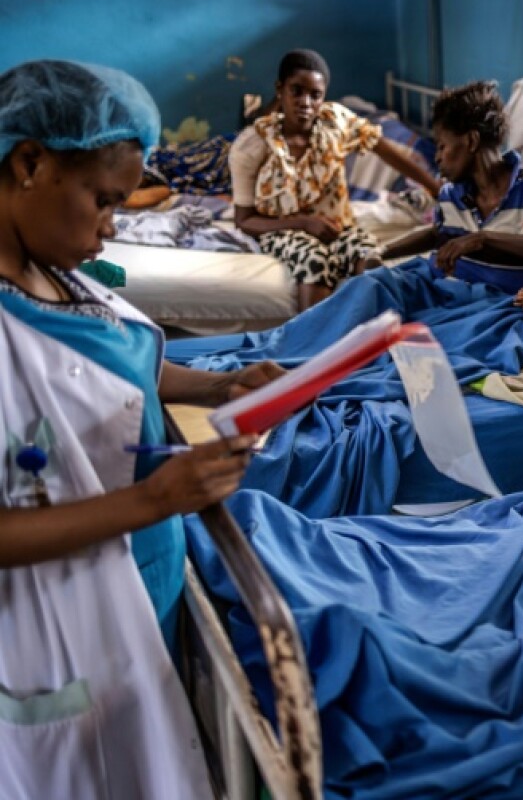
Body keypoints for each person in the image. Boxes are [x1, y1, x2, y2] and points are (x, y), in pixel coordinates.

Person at [0, 59, 285, 796]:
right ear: (29, 162)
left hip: (138, 583)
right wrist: (156, 501)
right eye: (102, 200)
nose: (110, 227)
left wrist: (224, 381)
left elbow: (112, 366)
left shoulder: (51, 268)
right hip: (50, 636)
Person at [230, 49, 441, 310]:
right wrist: (304, 223)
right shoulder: (253, 144)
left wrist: (434, 187)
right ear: (280, 89)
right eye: (296, 91)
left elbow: (386, 150)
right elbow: (244, 220)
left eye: (315, 95)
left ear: (323, 97)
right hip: (281, 228)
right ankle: (314, 341)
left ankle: (375, 334)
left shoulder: (336, 123)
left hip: (338, 225)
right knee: (314, 259)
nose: (305, 102)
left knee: (368, 254)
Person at [381, 80, 523, 293]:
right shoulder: (451, 195)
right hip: (448, 295)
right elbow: (438, 234)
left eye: (442, 146)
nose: (437, 158)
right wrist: (381, 252)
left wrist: (484, 239)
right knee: (373, 284)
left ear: (471, 140)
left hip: (504, 307)